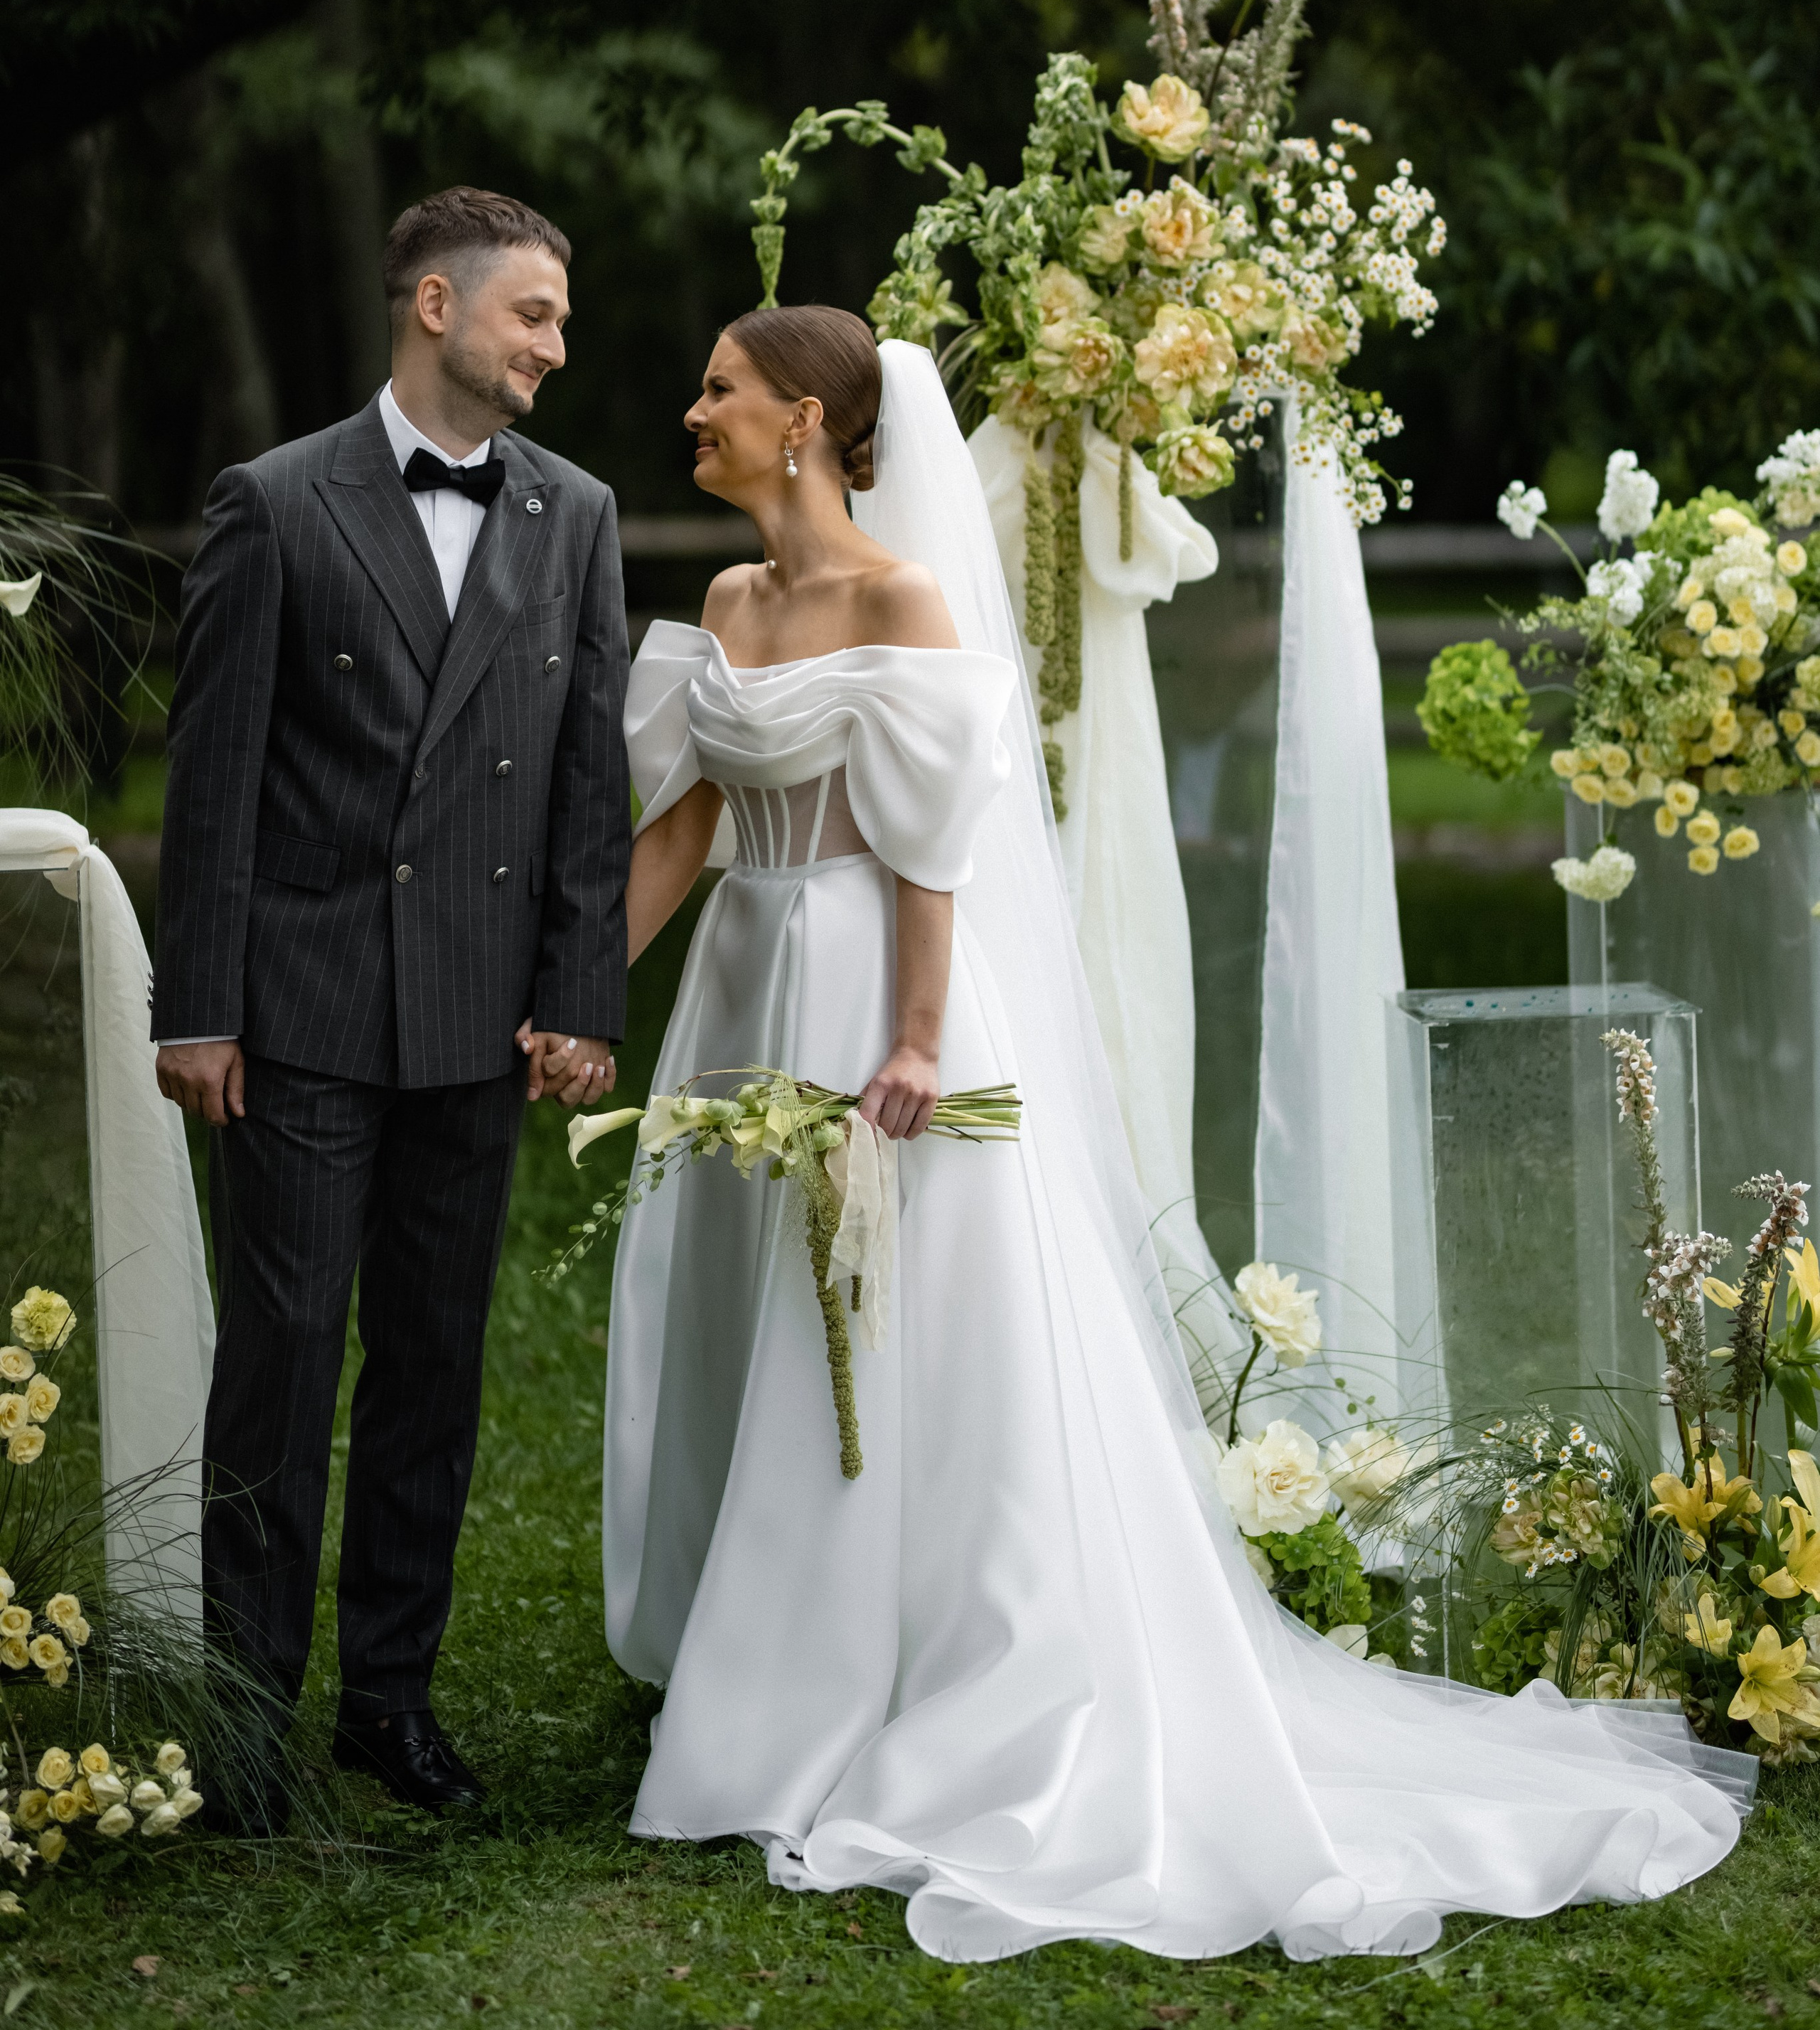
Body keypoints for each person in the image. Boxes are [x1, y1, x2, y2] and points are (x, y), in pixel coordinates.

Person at [589, 303, 1745, 1965]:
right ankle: (758, 1654)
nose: (689, 405)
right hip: (741, 990)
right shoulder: (727, 601)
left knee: (878, 1324)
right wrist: (572, 997)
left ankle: (878, 1676)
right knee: (746, 1303)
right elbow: (689, 825)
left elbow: (928, 847)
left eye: (720, 386)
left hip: (866, 992)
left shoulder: (898, 599)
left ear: (806, 422)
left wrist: (913, 1036)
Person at [154, 186, 628, 1834]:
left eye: (559, 320)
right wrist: (194, 1004)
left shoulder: (575, 513)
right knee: (279, 1366)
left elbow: (590, 782)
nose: (555, 347)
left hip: (478, 1018)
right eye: (534, 316)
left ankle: (390, 1700)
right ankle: (241, 1722)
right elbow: (208, 785)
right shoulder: (277, 503)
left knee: (433, 1364)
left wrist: (582, 992)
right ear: (435, 304)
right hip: (296, 1009)